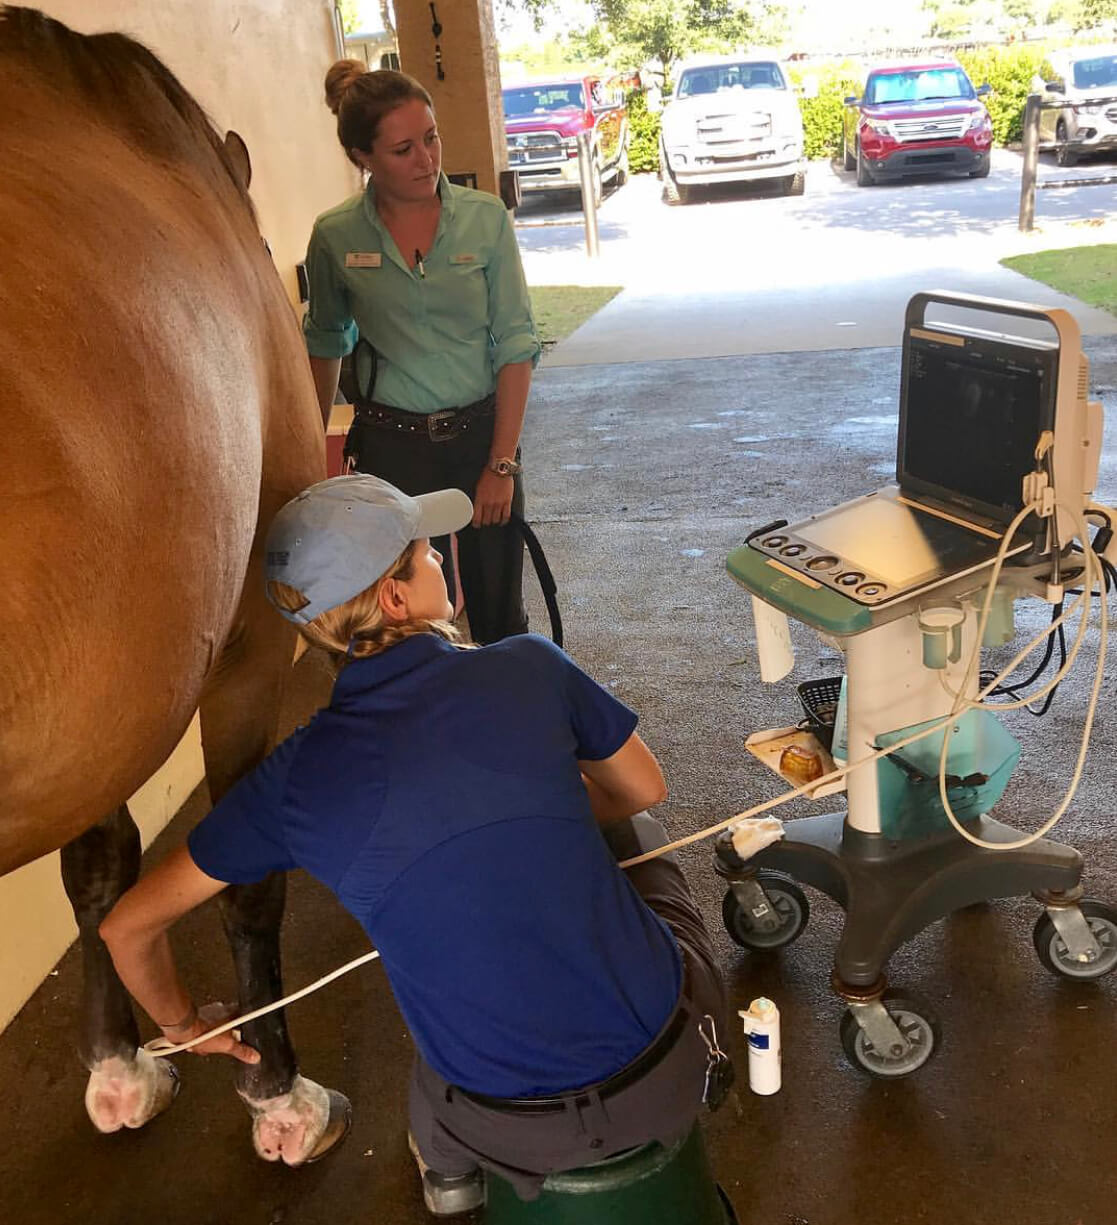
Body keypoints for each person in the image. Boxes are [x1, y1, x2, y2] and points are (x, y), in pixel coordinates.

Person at [100, 474, 730, 1216]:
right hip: (664, 1071)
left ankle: (448, 1170)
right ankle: (696, 1061)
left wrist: (182, 1028)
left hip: (497, 1124)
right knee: (641, 837)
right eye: (427, 554)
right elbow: (642, 788)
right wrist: (537, 808)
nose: (439, 562)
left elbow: (126, 928)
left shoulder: (293, 781)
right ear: (396, 597)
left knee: (438, 1005)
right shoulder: (529, 663)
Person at [304, 62, 540, 645]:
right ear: (362, 157)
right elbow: (327, 340)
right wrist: (309, 455)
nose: (427, 159)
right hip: (393, 447)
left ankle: (505, 702)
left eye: (431, 138)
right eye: (403, 149)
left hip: (483, 438)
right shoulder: (335, 235)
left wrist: (501, 464)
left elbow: (516, 344)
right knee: (412, 622)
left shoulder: (484, 220)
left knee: (500, 618)